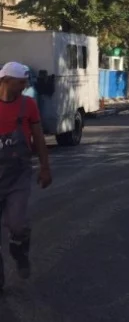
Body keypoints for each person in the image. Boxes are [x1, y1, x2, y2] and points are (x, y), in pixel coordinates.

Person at [0, 62, 52, 292]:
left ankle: (19, 247)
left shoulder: (28, 105)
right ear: (6, 81)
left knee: (17, 224)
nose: (25, 86)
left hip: (18, 175)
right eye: (21, 82)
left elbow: (39, 138)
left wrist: (45, 167)